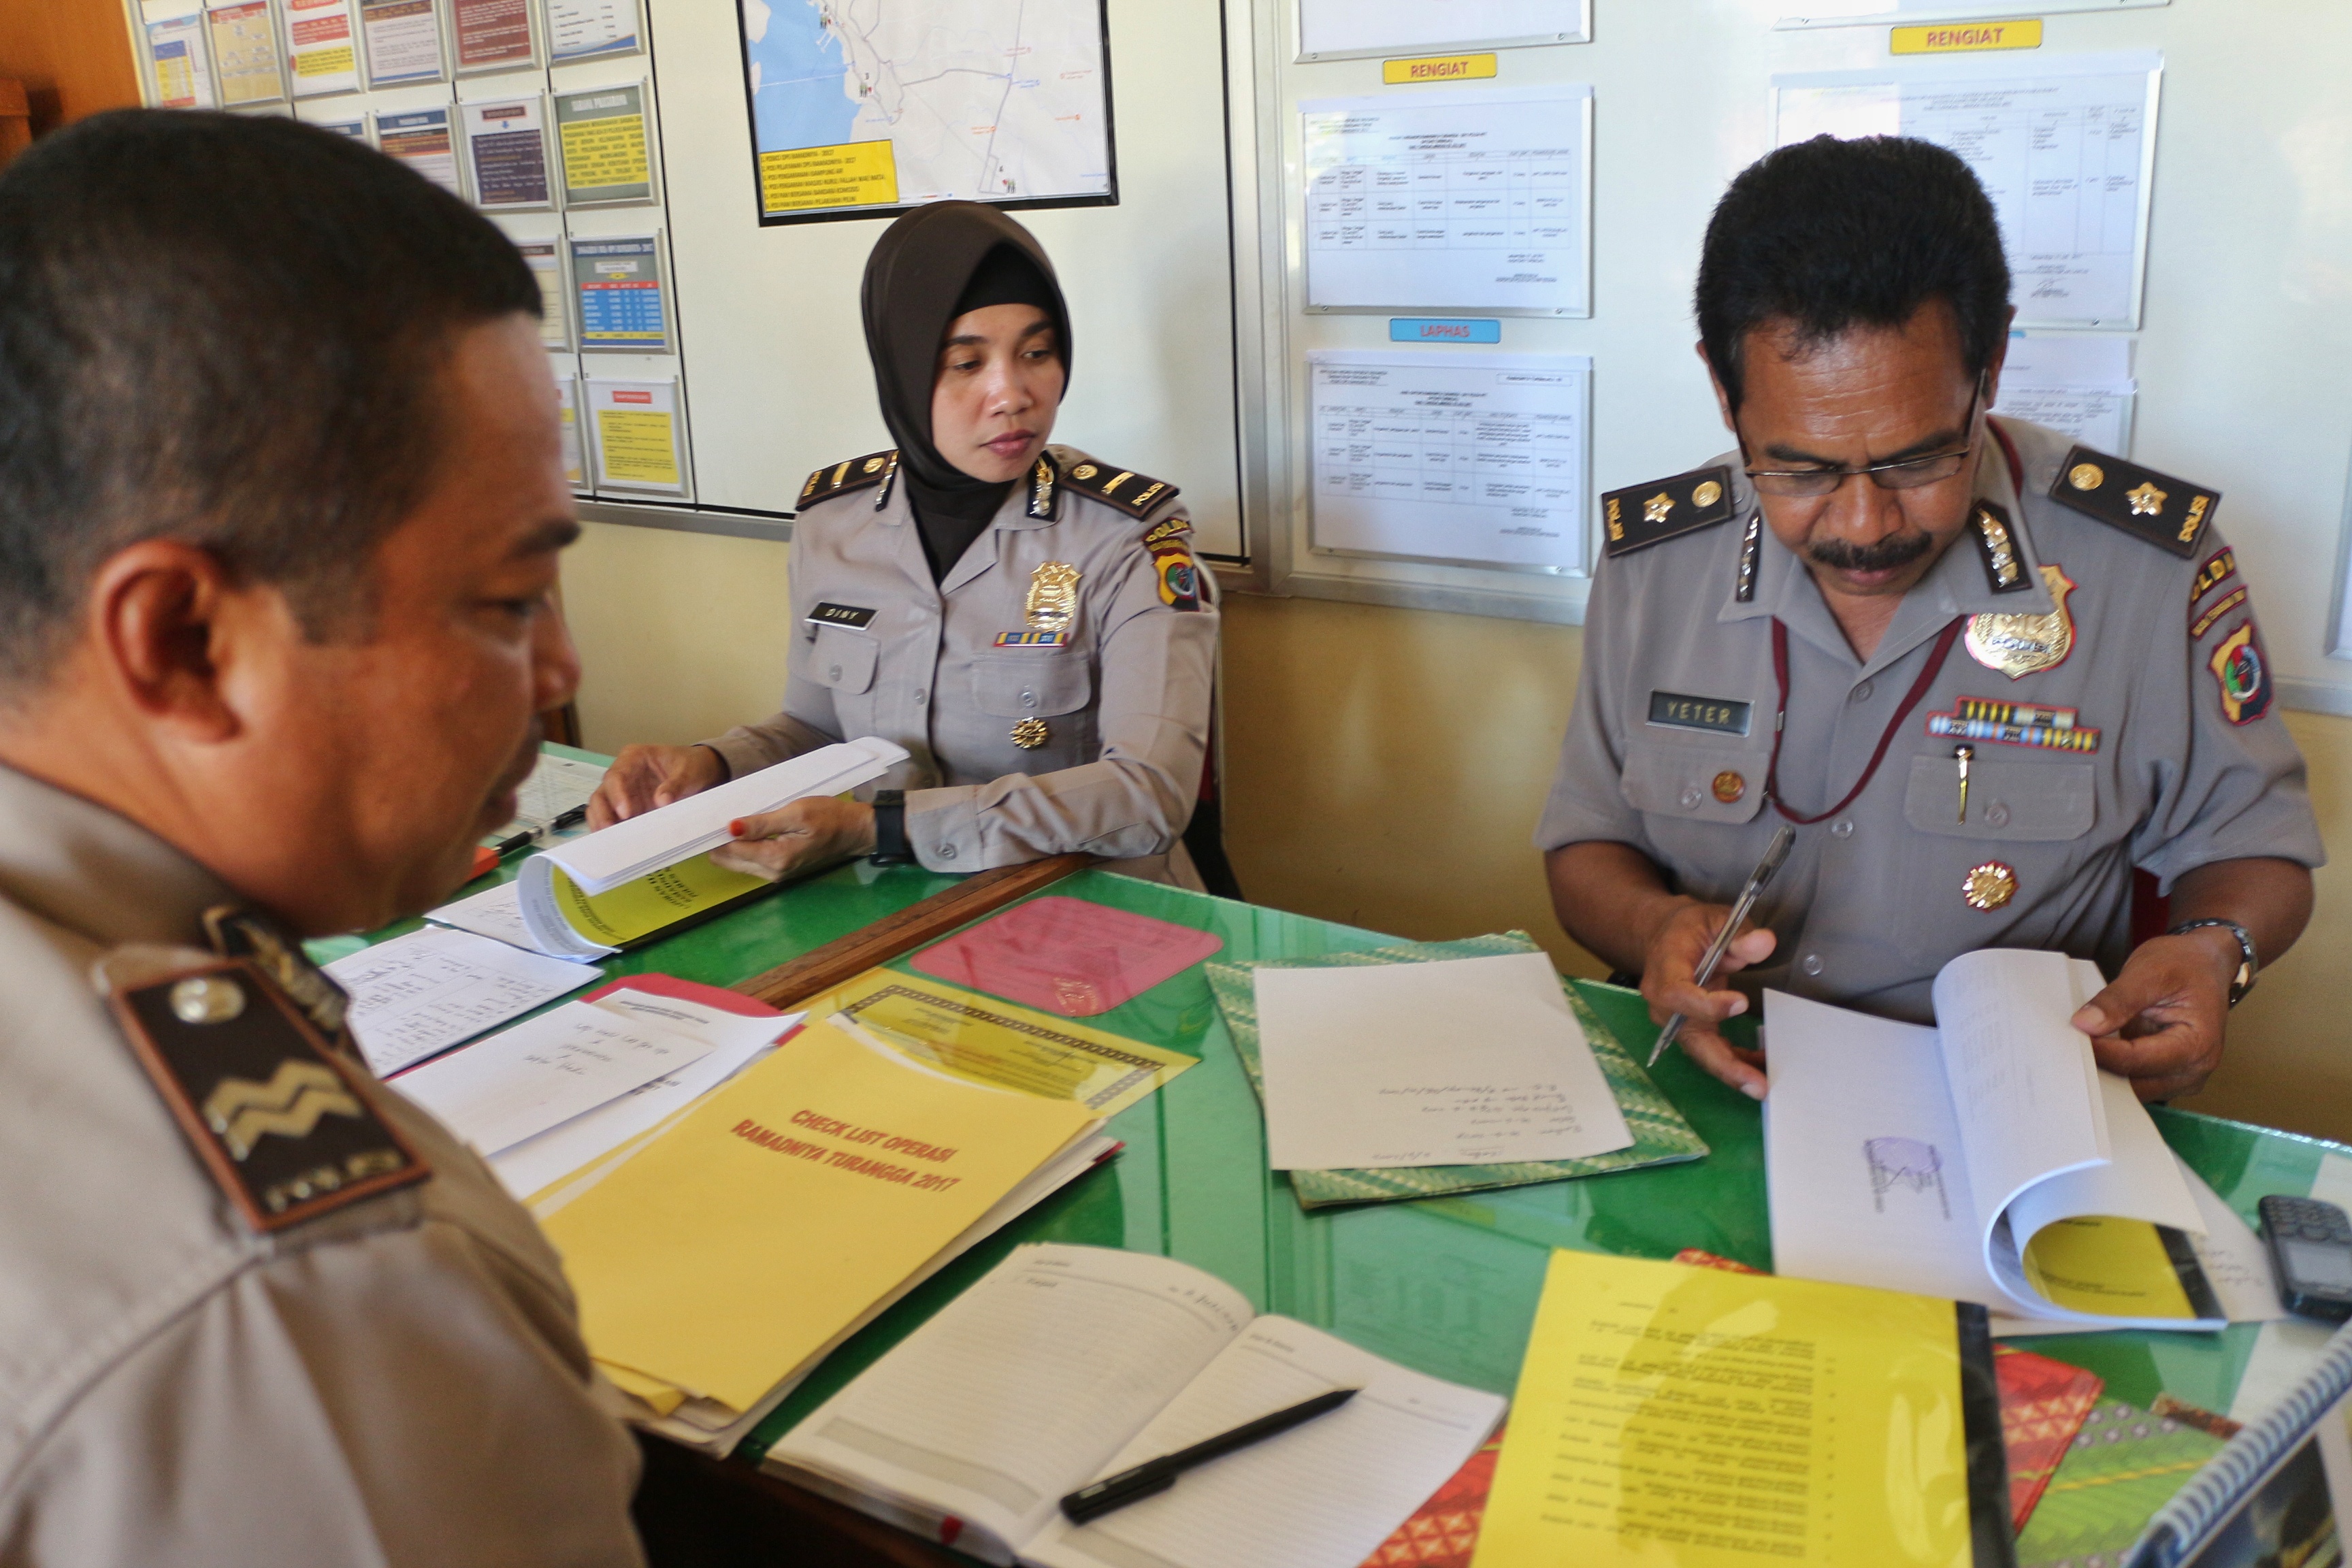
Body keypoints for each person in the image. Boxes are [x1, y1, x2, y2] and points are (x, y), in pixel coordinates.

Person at [0, 112, 644, 1563]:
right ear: (182, 640)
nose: (561, 674)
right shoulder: (289, 1312)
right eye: (503, 602)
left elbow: (1122, 768)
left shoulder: (1108, 532)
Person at [1539, 135, 2320, 1104]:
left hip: (2001, 1106)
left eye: (1916, 462)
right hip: (1713, 1081)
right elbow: (1587, 845)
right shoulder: (1659, 563)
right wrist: (1652, 929)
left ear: (1989, 370)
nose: (1864, 525)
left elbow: (2255, 847)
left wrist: (2217, 951)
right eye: (1802, 469)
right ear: (1721, 386)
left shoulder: (2147, 570)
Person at [586, 202, 1220, 888]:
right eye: (966, 362)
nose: (1012, 394)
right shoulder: (835, 522)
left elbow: (1149, 793)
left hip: (1089, 910)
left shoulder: (1128, 538)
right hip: (896, 903)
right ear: (903, 366)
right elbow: (821, 728)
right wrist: (711, 764)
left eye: (1036, 353)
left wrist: (882, 828)